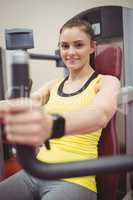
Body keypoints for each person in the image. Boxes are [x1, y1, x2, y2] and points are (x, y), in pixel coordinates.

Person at [0, 18, 120, 200]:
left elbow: (100, 114)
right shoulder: (53, 85)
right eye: (65, 46)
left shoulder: (106, 81)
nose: (70, 52)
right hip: (36, 171)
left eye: (78, 45)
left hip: (75, 179)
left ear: (92, 47)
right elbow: (26, 102)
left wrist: (53, 125)